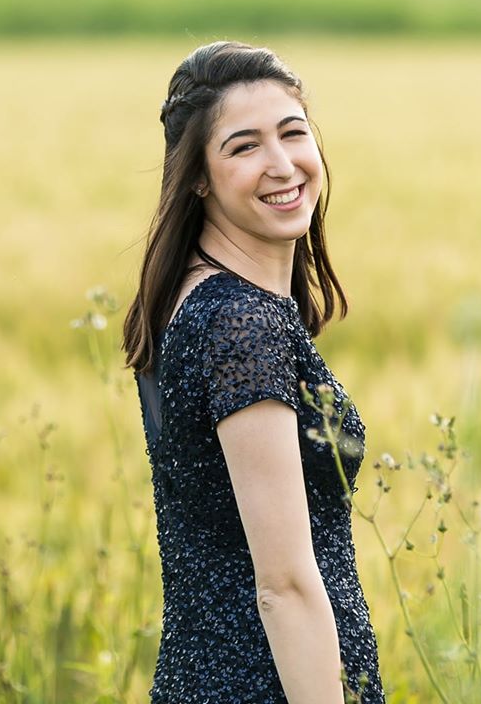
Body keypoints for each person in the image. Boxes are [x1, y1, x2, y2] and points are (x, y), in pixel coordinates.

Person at [121, 41, 386, 703]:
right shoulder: (243, 324)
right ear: (199, 177)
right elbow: (285, 585)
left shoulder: (189, 297)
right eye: (244, 147)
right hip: (267, 686)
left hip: (200, 678)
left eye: (292, 133)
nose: (281, 164)